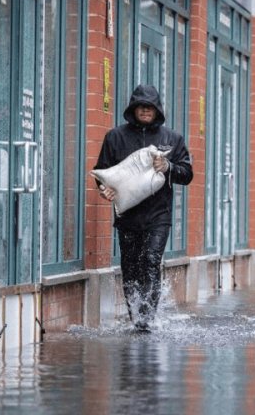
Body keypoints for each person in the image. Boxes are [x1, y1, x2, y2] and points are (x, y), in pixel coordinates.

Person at [94, 84, 193, 331]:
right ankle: (135, 318)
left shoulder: (172, 139)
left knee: (150, 260)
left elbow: (187, 174)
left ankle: (147, 319)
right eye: (141, 106)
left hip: (158, 215)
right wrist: (103, 189)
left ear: (157, 109)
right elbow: (102, 172)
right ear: (133, 108)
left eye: (150, 107)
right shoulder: (115, 137)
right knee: (130, 266)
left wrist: (168, 167)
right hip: (127, 215)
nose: (146, 111)